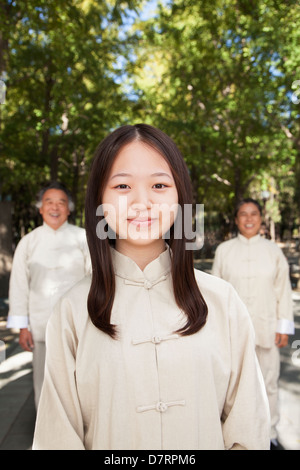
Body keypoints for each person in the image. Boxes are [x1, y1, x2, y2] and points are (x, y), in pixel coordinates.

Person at [33, 125, 270, 450]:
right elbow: (57, 436)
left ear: (180, 196)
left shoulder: (222, 300)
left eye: (159, 184)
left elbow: (248, 424)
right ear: (99, 200)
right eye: (122, 185)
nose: (141, 201)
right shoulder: (72, 310)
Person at [212, 198, 294, 450]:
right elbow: (214, 290)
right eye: (243, 214)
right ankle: (232, 436)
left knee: (268, 381)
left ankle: (268, 433)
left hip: (266, 327)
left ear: (260, 218)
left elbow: (283, 290)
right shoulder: (224, 251)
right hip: (231, 331)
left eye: (254, 214)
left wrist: (284, 326)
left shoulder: (273, 252)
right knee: (230, 387)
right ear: (236, 220)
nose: (249, 219)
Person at [7, 181, 91, 408]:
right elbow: (19, 285)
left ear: (69, 208)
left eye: (61, 202)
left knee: (81, 381)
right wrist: (22, 327)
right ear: (40, 208)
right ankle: (46, 436)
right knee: (43, 382)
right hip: (40, 324)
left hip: (80, 324)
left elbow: (94, 279)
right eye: (49, 202)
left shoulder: (84, 239)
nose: (55, 207)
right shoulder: (28, 242)